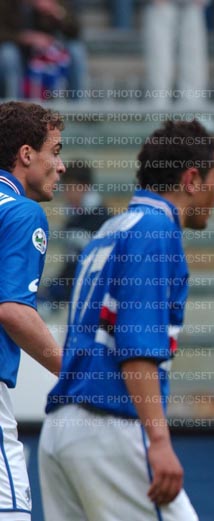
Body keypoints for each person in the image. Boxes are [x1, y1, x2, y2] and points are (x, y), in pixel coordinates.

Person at [39, 120, 214, 520]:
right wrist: (158, 439)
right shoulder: (156, 231)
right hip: (109, 426)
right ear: (192, 180)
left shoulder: (111, 228)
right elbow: (135, 343)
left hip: (59, 430)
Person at [0, 100, 64, 519]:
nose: (61, 165)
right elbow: (12, 310)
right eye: (54, 152)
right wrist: (77, 374)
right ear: (26, 155)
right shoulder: (22, 212)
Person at [40, 161, 110, 310]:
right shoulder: (72, 220)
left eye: (70, 187)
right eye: (65, 187)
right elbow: (70, 265)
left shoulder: (103, 220)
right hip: (71, 287)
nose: (66, 193)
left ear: (84, 187)